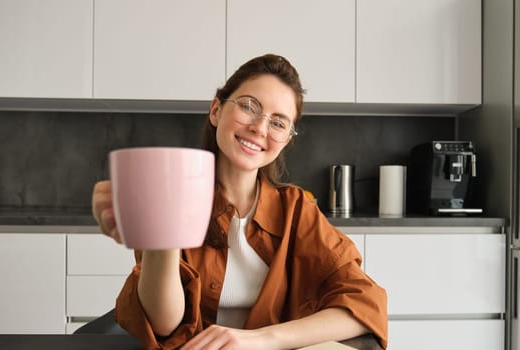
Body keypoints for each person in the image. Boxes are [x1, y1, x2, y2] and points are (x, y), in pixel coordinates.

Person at [91, 54, 388, 350]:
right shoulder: (173, 195)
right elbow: (163, 324)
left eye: (279, 122)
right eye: (249, 106)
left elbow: (365, 305)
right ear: (216, 110)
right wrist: (161, 236)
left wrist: (261, 339)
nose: (260, 128)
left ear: (286, 139)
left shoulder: (297, 210)